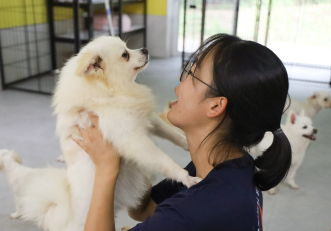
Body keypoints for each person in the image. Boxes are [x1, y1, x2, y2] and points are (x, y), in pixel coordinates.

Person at [73, 33, 292, 231]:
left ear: (215, 106)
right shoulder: (228, 164)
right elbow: (142, 209)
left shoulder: (194, 210)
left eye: (192, 74)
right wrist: (130, 143)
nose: (180, 80)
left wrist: (106, 168)